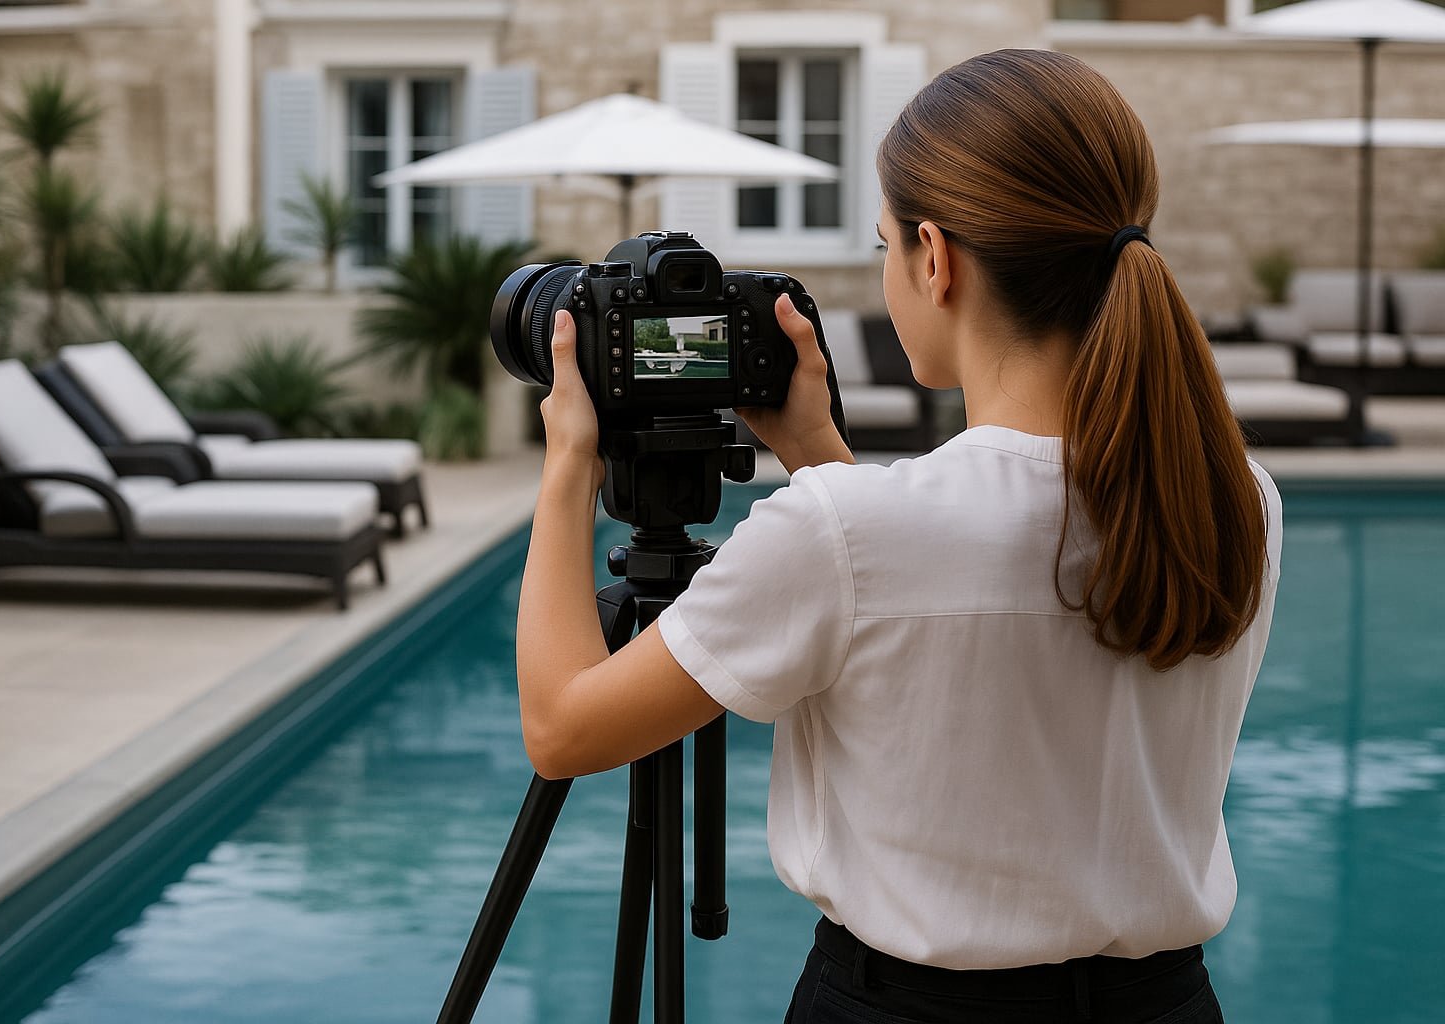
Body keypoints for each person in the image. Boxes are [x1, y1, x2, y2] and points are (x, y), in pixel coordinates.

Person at [515, 48, 1281, 1024]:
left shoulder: (843, 533)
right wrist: (816, 448)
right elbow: (934, 586)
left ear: (935, 257)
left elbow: (563, 727)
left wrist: (569, 462)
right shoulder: (1237, 500)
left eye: (883, 245)